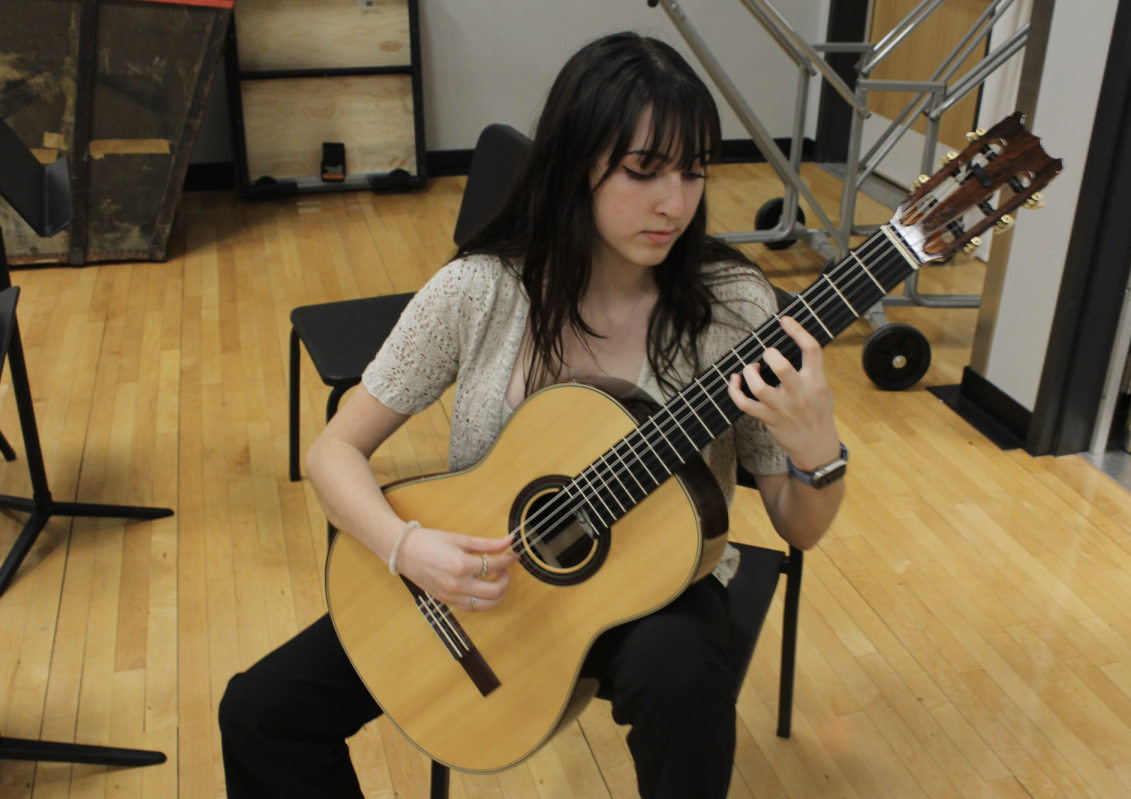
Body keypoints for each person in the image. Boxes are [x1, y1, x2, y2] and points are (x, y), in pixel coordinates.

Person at [219, 32, 845, 799]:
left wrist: (819, 451)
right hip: (483, 577)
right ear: (574, 163)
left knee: (678, 674)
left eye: (693, 171)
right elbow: (332, 452)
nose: (675, 203)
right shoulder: (479, 290)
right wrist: (405, 546)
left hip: (662, 580)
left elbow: (800, 525)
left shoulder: (733, 305)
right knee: (259, 712)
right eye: (644, 172)